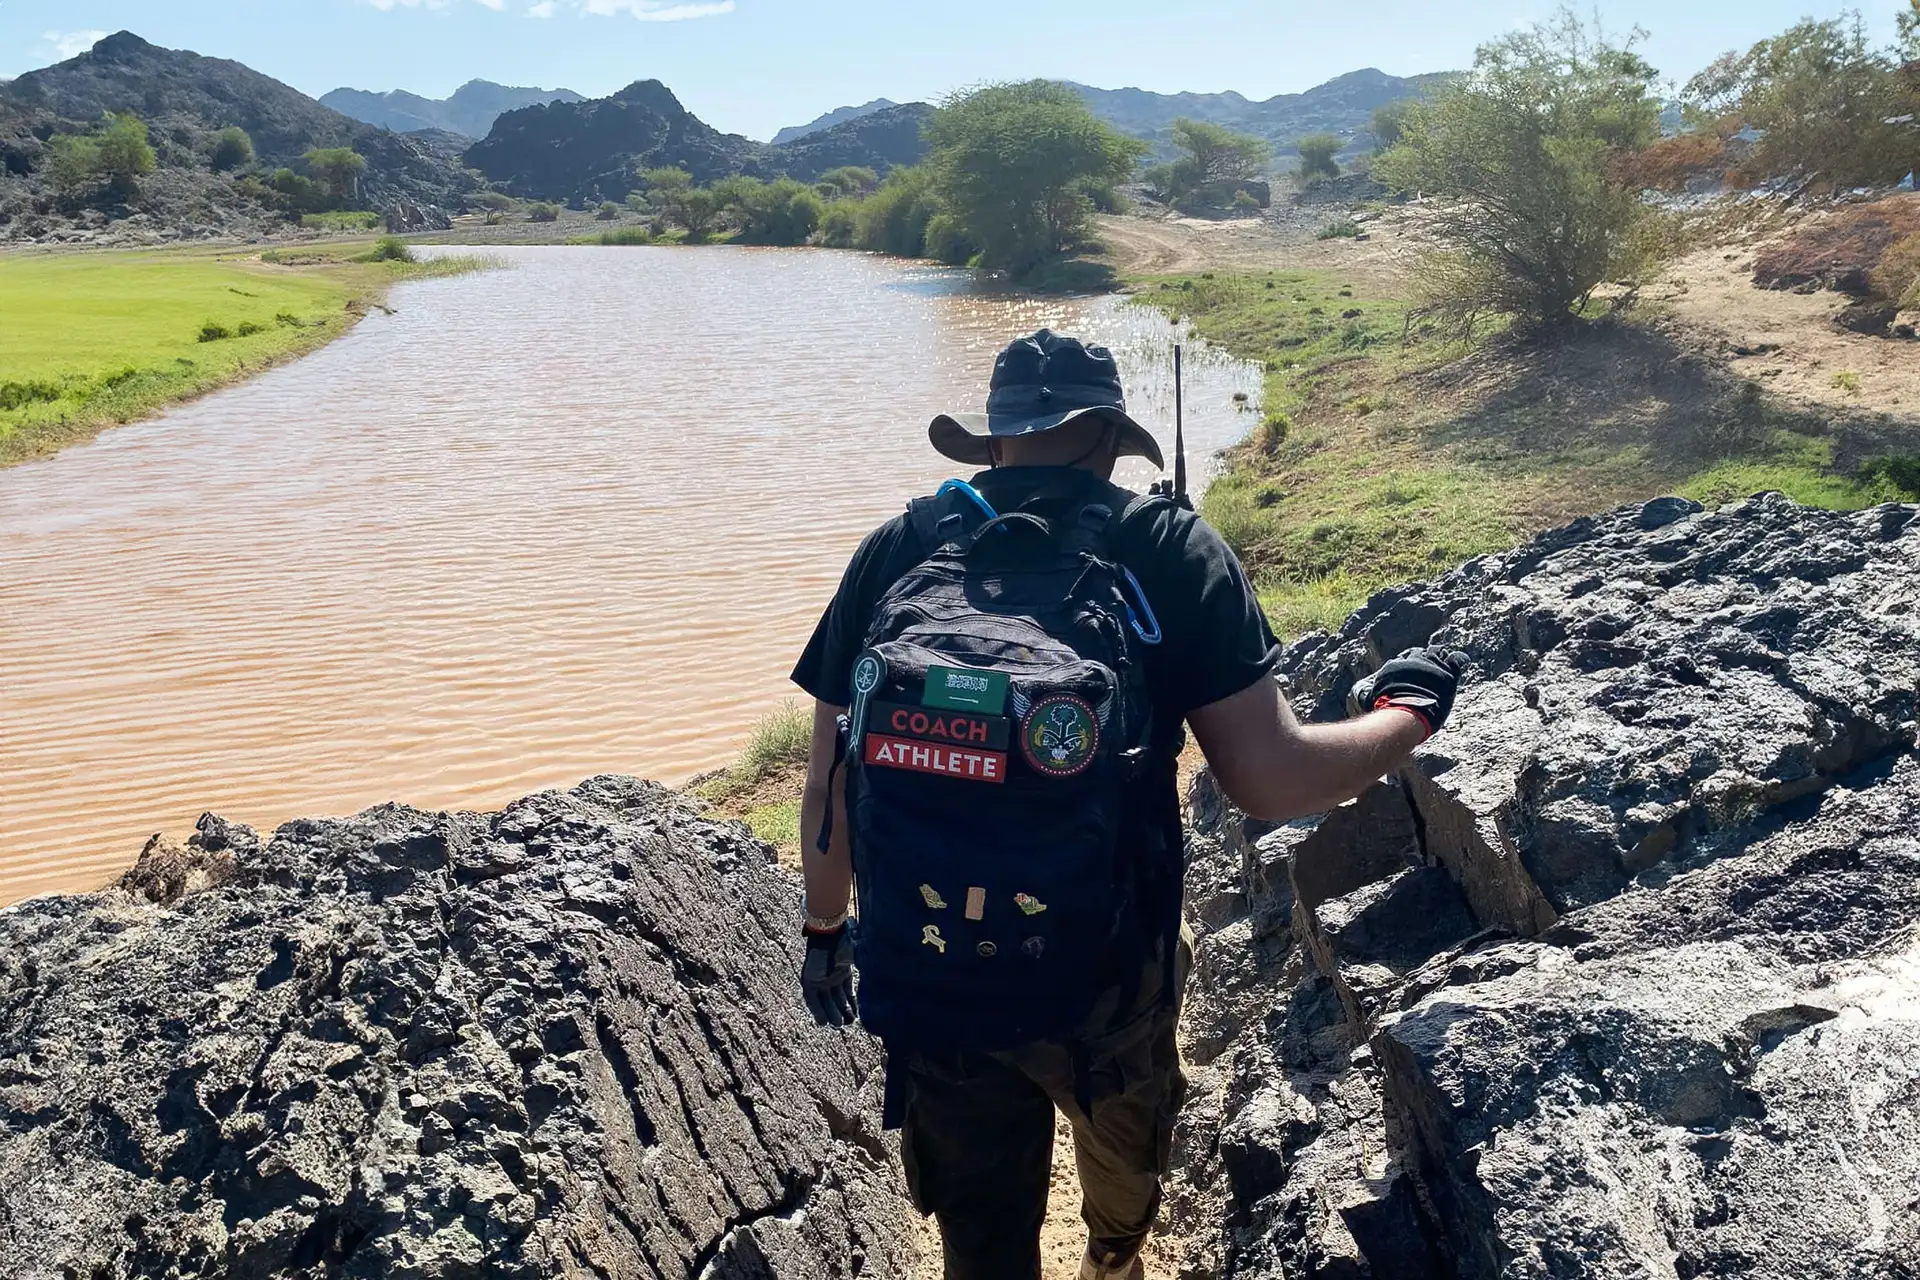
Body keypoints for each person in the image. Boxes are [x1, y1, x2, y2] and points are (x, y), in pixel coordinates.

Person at [789, 330, 1464, 1280]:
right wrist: (1406, 716)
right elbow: (1272, 780)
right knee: (1123, 1164)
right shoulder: (1170, 548)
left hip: (931, 958)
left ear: (994, 439)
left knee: (980, 1237)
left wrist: (826, 931)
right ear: (1111, 437)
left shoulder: (898, 549)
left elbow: (828, 783)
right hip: (1109, 969)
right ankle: (1112, 1258)